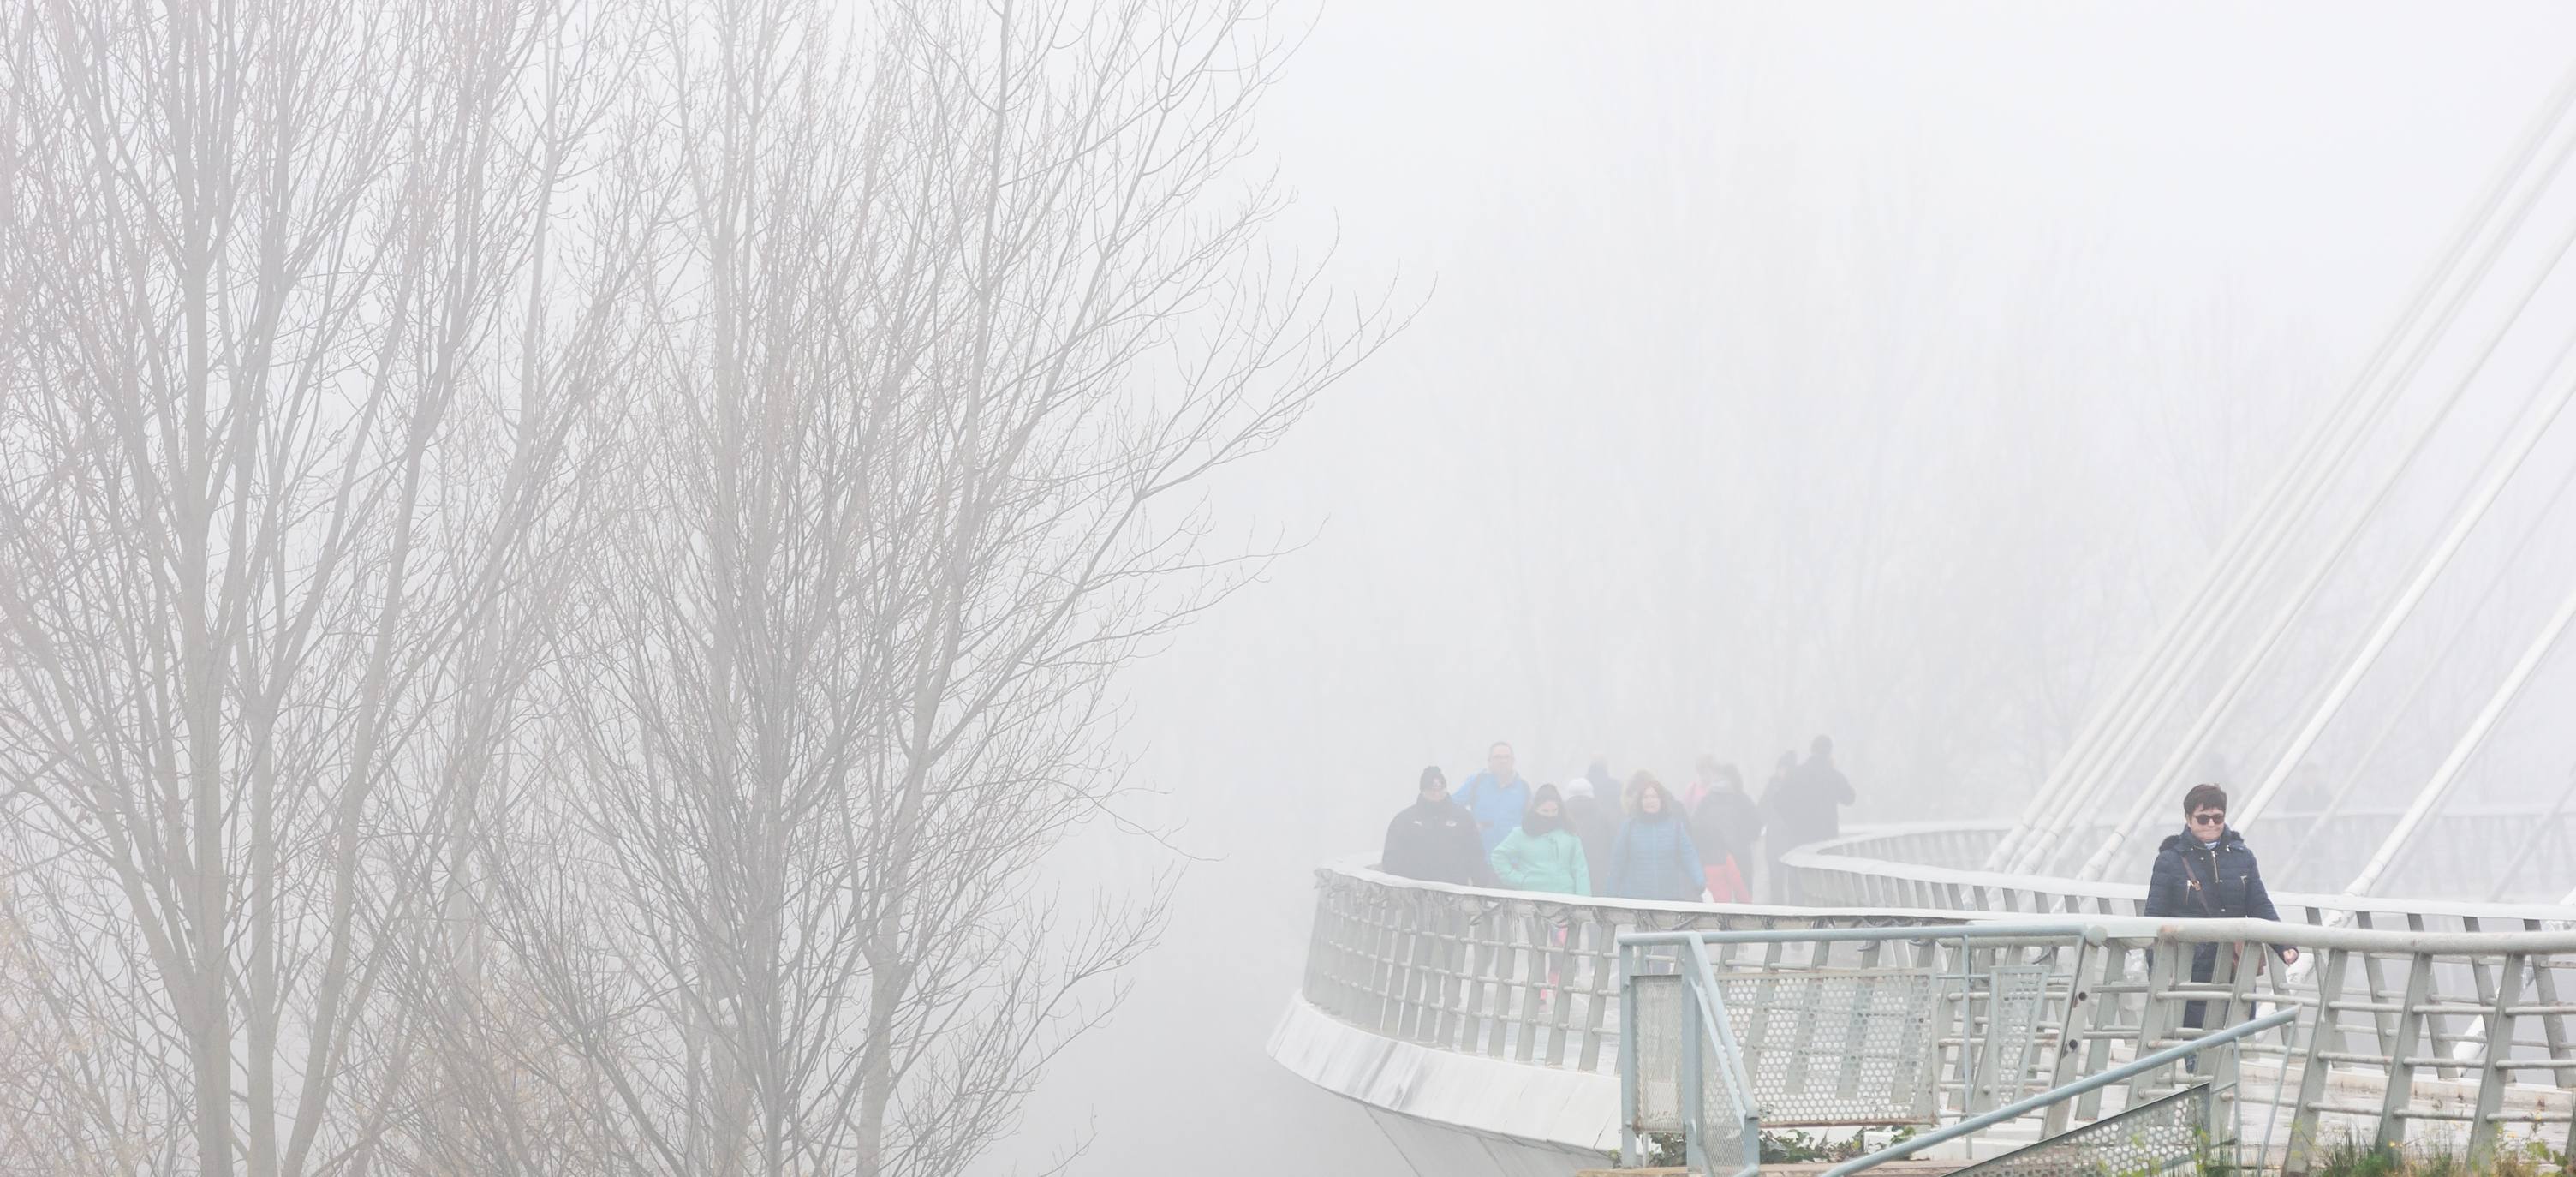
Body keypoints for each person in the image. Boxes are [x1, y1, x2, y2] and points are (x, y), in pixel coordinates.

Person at [2144, 783, 2296, 1032]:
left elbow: (2259, 905)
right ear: (2188, 819)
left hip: (2234, 967)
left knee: (2235, 1033)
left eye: (2218, 817)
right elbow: (2154, 919)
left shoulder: (2242, 856)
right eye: (2203, 818)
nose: (2212, 824)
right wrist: (2157, 970)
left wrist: (2284, 945)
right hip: (2189, 968)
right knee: (2193, 1037)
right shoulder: (2169, 861)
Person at [1601, 773, 1707, 902]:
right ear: (1640, 801)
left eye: (1654, 796)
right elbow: (1617, 863)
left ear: (1661, 800)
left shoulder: (1676, 828)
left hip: (1668, 900)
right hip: (1636, 903)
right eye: (1645, 797)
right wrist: (1610, 895)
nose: (1650, 800)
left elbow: (1689, 856)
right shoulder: (1629, 828)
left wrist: (1699, 881)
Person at [1380, 766, 1493, 887]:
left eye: (1440, 790)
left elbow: (1476, 856)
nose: (1436, 794)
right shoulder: (1404, 820)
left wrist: (1481, 887)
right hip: (1415, 894)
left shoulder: (1462, 818)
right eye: (1431, 790)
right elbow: (1391, 860)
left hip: (1455, 893)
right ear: (1422, 791)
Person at [1488, 784, 1589, 896]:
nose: (1550, 815)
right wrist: (1518, 880)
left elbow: (1580, 870)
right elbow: (1498, 856)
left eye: (1554, 810)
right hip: (1531, 900)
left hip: (1565, 899)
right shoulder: (1521, 834)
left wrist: (1583, 903)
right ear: (1535, 809)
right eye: (1545, 811)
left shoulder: (1569, 834)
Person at [1690, 758, 1762, 902]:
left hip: (1714, 858)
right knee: (1744, 895)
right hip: (1741, 855)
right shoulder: (1743, 799)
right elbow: (1757, 826)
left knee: (1717, 900)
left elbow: (1695, 828)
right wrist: (1743, 838)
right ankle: (1745, 922)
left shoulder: (1706, 801)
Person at [1454, 740, 1531, 857]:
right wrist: (1468, 825)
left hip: (1512, 860)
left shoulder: (1524, 788)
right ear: (1489, 761)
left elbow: (1532, 821)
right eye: (1497, 757)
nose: (1503, 761)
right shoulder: (1477, 782)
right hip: (1480, 857)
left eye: (1507, 757)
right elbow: (1451, 806)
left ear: (1513, 761)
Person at [1561, 778, 1619, 879]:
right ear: (1591, 795)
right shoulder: (1604, 818)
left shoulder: (1560, 817)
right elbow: (1613, 847)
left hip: (1566, 874)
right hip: (1598, 873)